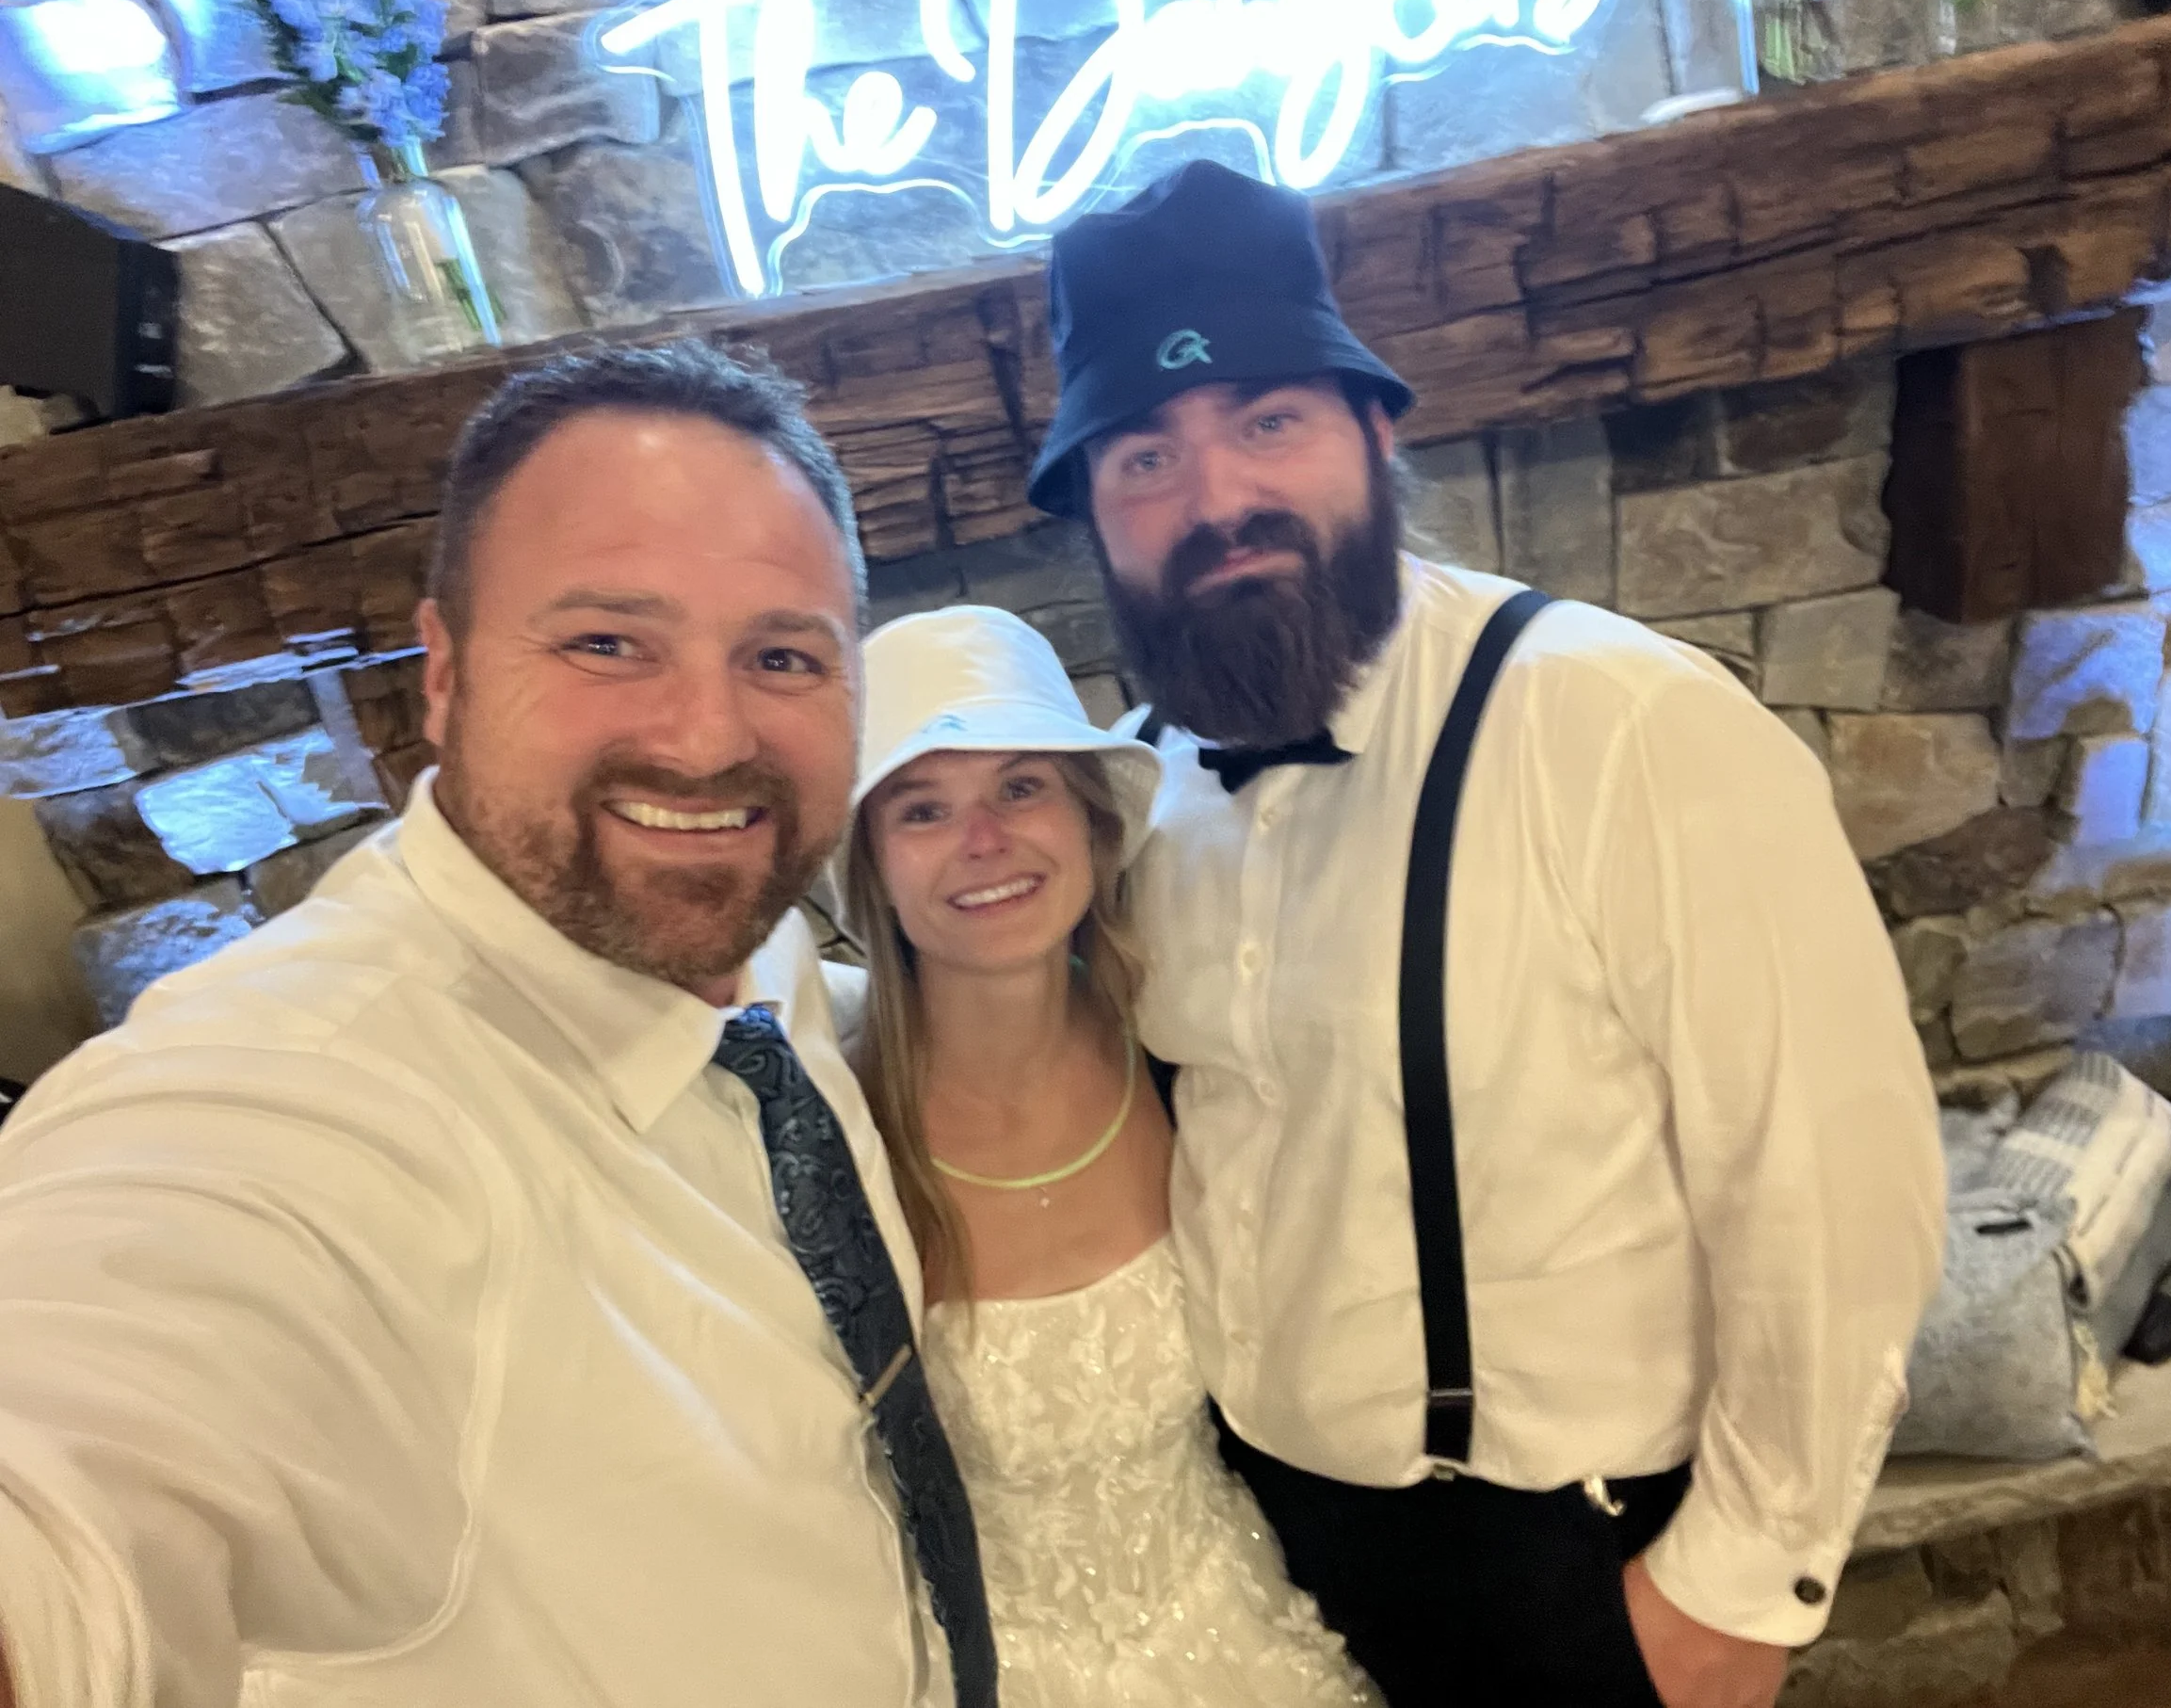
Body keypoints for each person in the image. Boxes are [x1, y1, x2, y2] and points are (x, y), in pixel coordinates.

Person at [1020, 159, 1947, 1708]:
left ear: (1376, 432)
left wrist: (1742, 1582)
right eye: (1143, 459)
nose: (1216, 501)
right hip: (1259, 1560)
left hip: (1564, 1576)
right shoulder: (1137, 790)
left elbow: (1835, 1184)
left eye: (1268, 423)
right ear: (1095, 519)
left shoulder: (1626, 727)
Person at [0, 342, 997, 1708]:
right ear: (446, 670)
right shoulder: (298, 1103)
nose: (708, 737)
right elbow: (73, 1463)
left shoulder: (741, 938)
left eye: (781, 654)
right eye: (606, 641)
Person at [837, 603, 1375, 1707]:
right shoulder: (835, 1139)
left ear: (1091, 823)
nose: (984, 842)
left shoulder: (1187, 1051)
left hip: (1240, 1627)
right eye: (924, 809)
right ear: (874, 872)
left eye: (1021, 787)